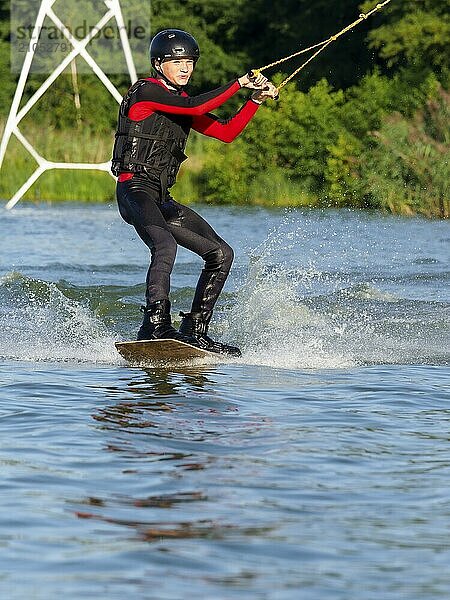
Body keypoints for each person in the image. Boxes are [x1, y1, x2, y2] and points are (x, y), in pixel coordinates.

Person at [112, 29, 277, 356]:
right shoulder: (146, 93)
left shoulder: (183, 104)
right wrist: (238, 84)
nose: (185, 68)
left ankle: (195, 329)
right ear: (159, 64)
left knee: (221, 254)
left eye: (189, 62)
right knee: (165, 244)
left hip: (160, 198)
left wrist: (254, 101)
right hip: (134, 189)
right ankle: (154, 324)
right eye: (177, 62)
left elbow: (227, 132)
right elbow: (195, 107)